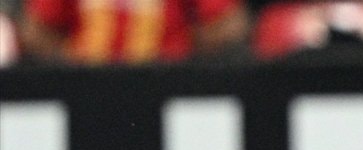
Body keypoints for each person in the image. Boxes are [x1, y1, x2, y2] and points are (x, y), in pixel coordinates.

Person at [19, 0, 249, 64]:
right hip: (87, 84)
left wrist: (186, 52)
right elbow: (37, 29)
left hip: (165, 80)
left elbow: (228, 24)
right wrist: (67, 62)